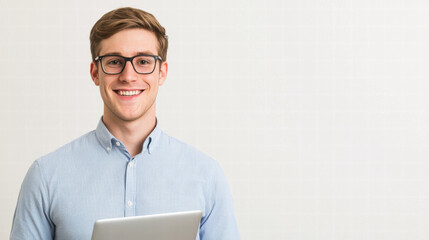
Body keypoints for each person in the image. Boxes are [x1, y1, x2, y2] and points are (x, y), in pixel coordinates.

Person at [10, 7, 240, 240]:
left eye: (143, 61)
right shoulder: (46, 176)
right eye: (114, 62)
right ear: (95, 73)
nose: (128, 75)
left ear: (162, 72)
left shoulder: (206, 175)